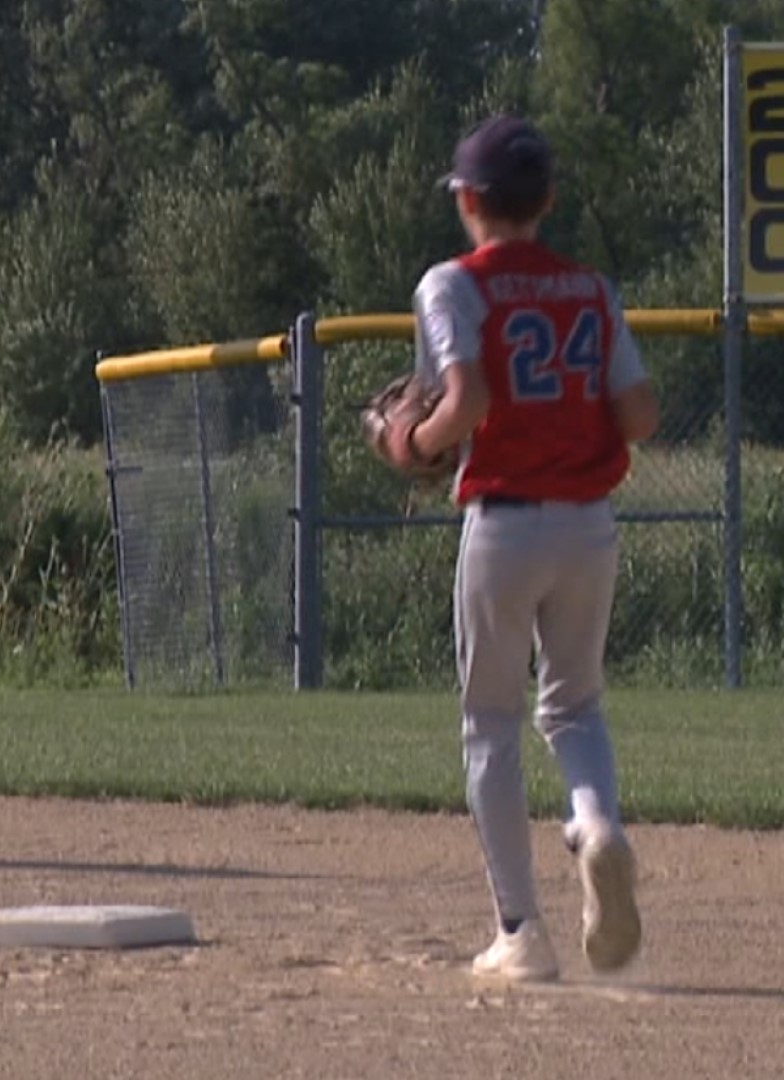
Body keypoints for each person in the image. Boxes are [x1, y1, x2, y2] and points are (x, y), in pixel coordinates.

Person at [391, 114, 659, 982]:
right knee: (575, 708)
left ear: (468, 201)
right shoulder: (591, 287)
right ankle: (597, 824)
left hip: (504, 522)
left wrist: (411, 442)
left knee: (489, 727)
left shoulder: (451, 283)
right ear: (546, 199)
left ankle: (521, 934)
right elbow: (641, 417)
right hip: (590, 524)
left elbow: (463, 405)